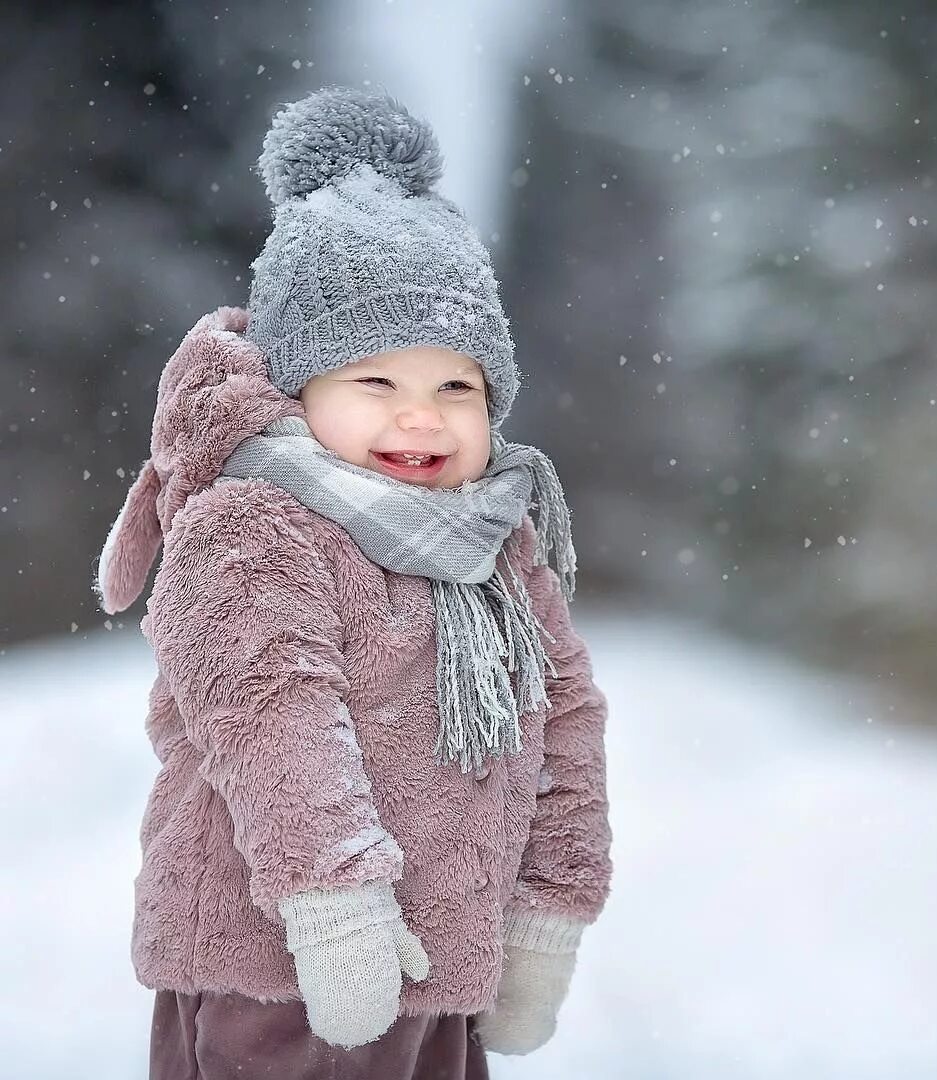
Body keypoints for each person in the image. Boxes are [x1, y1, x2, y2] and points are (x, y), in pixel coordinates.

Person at [92, 85, 614, 1079]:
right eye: (377, 383)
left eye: (455, 387)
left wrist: (551, 909)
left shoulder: (497, 543)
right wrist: (334, 909)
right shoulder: (253, 522)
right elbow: (273, 710)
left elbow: (568, 717)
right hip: (275, 972)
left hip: (443, 971)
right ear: (299, 391)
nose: (420, 419)